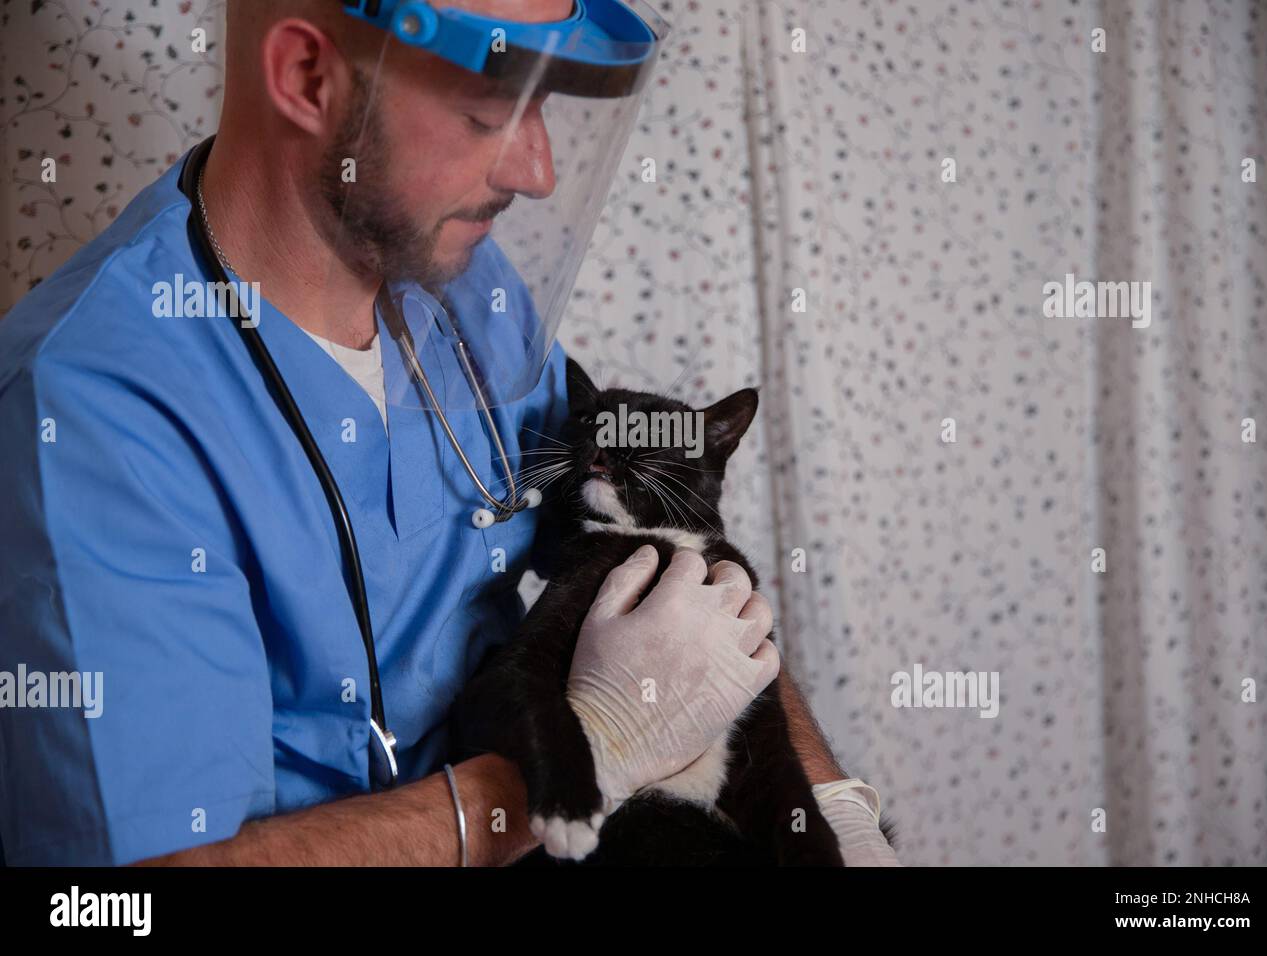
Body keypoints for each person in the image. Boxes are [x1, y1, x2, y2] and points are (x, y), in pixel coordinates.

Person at [0, 0, 897, 866]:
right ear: (307, 76)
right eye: (488, 112)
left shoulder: (469, 290)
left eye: (544, 106)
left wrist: (839, 815)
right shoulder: (95, 413)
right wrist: (577, 759)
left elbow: (679, 571)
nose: (539, 170)